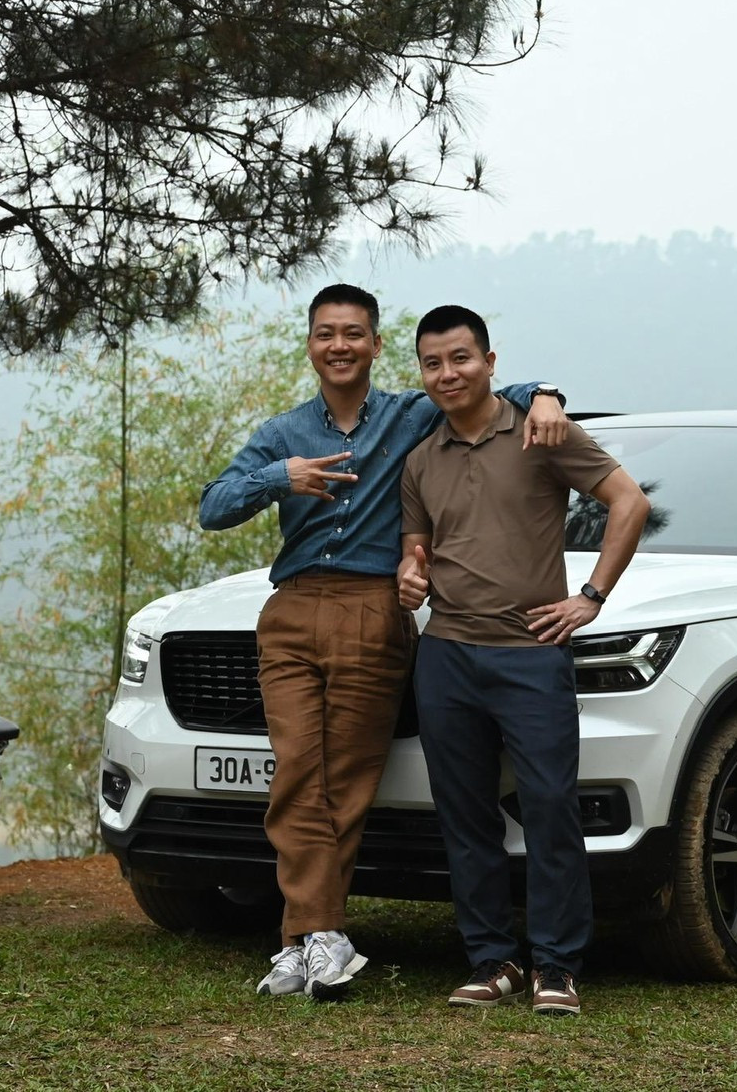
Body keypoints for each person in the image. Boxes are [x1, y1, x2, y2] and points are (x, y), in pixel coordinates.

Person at [199, 284, 571, 1001]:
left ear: (374, 344)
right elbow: (214, 506)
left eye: (353, 334)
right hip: (290, 609)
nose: (338, 345)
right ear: (311, 344)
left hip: (372, 609)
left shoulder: (412, 414)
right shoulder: (283, 433)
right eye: (325, 333)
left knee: (344, 780)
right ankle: (318, 935)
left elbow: (488, 390)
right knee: (296, 771)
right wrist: (281, 478)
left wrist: (548, 394)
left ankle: (305, 939)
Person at [396, 304, 649, 1018]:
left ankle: (557, 965)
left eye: (460, 358)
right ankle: (492, 959)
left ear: (489, 361)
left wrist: (591, 596)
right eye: (432, 363)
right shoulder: (421, 458)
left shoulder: (543, 430)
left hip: (531, 655)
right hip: (446, 655)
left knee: (549, 808)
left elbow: (628, 502)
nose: (447, 373)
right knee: (464, 814)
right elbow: (416, 549)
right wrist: (410, 576)